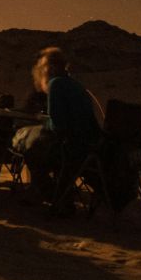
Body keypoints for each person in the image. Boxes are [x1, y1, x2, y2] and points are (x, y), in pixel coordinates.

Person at [19, 47, 99, 209]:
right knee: (38, 147)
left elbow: (58, 126)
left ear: (51, 68)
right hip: (89, 147)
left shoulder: (56, 85)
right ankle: (58, 194)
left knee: (30, 151)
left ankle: (52, 195)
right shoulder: (75, 85)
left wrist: (42, 121)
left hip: (72, 149)